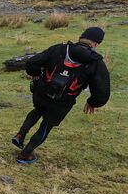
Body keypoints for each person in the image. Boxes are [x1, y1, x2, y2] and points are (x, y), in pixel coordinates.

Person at [11, 27, 110, 163]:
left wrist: (34, 74)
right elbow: (102, 89)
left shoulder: (59, 48)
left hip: (41, 93)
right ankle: (25, 154)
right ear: (96, 44)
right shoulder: (96, 63)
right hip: (62, 102)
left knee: (38, 110)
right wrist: (93, 102)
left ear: (81, 38)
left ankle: (20, 135)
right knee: (46, 125)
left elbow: (32, 62)